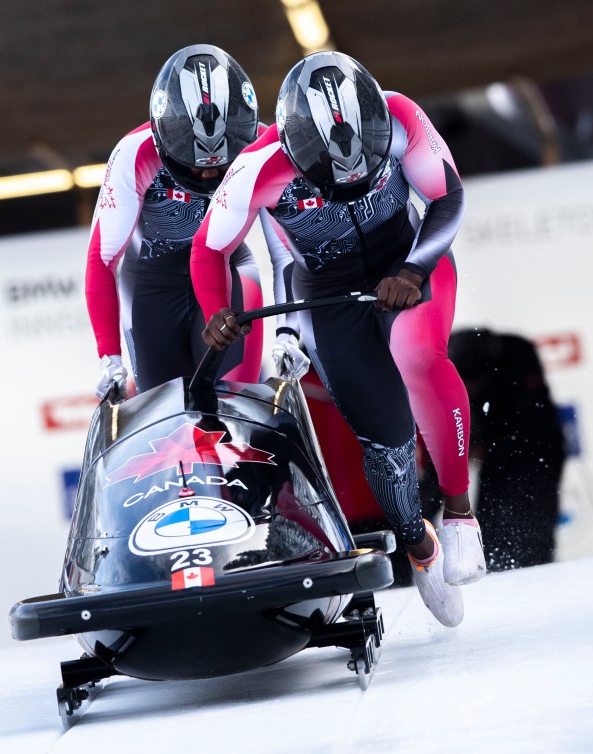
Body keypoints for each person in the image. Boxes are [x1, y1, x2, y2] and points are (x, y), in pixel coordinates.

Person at [191, 51, 485, 628]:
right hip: (328, 293)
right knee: (386, 443)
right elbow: (209, 249)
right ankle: (417, 543)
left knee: (418, 355)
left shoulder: (401, 115)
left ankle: (458, 514)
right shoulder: (257, 166)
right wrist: (218, 311)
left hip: (409, 261)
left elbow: (446, 198)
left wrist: (413, 271)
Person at [85, 44, 265, 399]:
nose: (208, 172)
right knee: (169, 416)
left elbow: (283, 248)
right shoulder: (134, 154)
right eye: (191, 161)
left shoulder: (263, 145)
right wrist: (109, 356)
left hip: (226, 272)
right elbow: (103, 259)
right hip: (152, 285)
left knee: (235, 404)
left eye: (222, 160)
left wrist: (290, 334)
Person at [447, 328, 566, 570]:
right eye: (465, 384)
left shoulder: (517, 355)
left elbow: (534, 426)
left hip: (538, 454)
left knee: (534, 530)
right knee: (491, 531)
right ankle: (496, 573)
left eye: (474, 382)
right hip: (497, 457)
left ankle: (540, 577)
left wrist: (483, 447)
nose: (471, 390)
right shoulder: (449, 373)